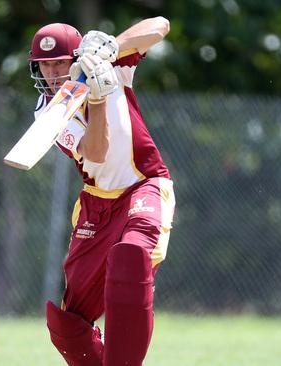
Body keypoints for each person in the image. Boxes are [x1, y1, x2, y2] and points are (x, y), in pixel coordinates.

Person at [28, 17, 175, 366]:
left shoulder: (116, 66)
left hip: (144, 185)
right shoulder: (47, 112)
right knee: (67, 324)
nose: (51, 73)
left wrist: (110, 48)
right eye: (44, 65)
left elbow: (160, 25)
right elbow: (96, 153)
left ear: (76, 58)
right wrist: (96, 99)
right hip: (96, 205)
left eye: (59, 63)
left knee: (131, 257)